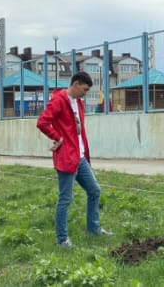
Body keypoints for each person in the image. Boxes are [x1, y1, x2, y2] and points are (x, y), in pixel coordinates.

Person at [37, 71, 111, 248]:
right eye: (84, 90)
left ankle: (93, 229)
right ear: (76, 84)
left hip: (80, 157)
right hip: (66, 158)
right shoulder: (58, 100)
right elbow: (42, 122)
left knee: (94, 190)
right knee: (65, 199)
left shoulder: (78, 102)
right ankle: (62, 239)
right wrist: (57, 137)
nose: (85, 94)